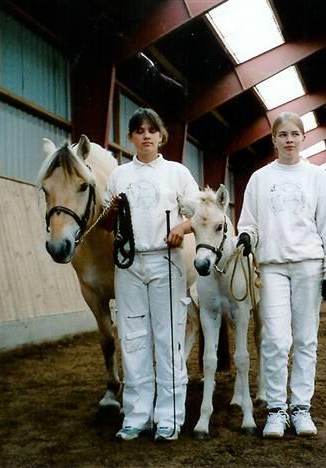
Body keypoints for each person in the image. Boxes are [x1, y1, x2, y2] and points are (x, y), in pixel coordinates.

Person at [236, 112, 326, 438]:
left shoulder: (316, 177)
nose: (288, 140)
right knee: (274, 339)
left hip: (308, 265)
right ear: (273, 140)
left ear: (303, 138)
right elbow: (249, 223)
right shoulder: (259, 179)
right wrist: (246, 237)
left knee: (305, 338)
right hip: (271, 267)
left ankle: (301, 408)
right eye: (282, 134)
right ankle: (276, 410)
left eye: (294, 134)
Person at [102, 108, 198, 442]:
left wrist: (181, 228)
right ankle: (136, 415)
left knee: (167, 338)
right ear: (130, 137)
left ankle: (169, 417)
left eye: (151, 130)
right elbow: (103, 220)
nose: (145, 136)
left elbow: (199, 212)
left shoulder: (177, 173)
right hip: (128, 263)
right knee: (132, 338)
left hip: (165, 261)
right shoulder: (118, 175)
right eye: (138, 130)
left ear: (161, 136)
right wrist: (111, 213)